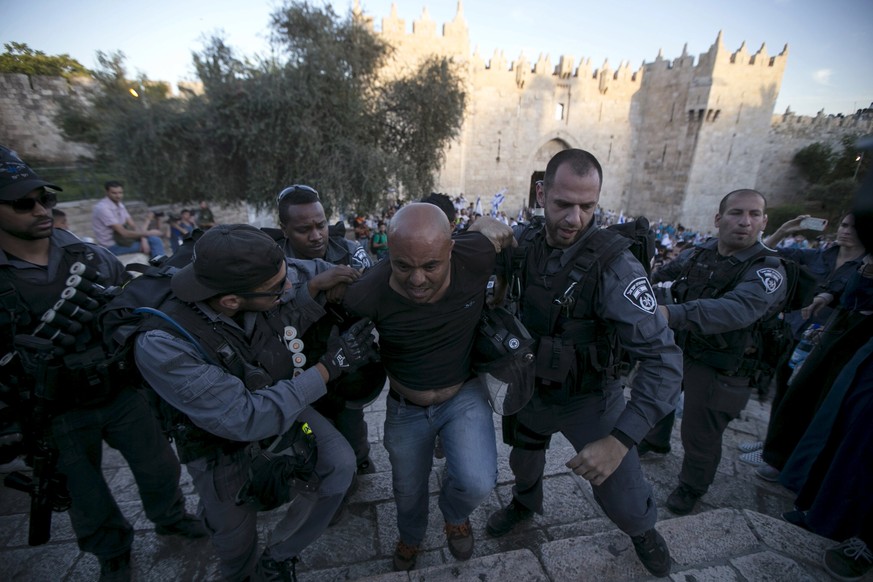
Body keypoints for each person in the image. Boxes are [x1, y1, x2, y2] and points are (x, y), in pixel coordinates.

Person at [0, 146, 205, 582]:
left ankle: (171, 518)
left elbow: (129, 305)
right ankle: (112, 550)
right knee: (83, 491)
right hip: (56, 408)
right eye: (23, 203)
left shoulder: (88, 256)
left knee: (159, 466)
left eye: (45, 199)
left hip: (118, 389)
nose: (40, 210)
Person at [133, 224, 377, 581]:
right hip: (220, 444)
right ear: (231, 300)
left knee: (338, 465)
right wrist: (328, 368)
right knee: (235, 541)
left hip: (288, 409)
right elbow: (245, 417)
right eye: (278, 290)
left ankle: (279, 555)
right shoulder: (162, 345)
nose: (289, 288)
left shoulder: (260, 279)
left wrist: (329, 280)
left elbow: (296, 284)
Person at [485, 149, 681, 578]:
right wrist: (476, 231)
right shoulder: (526, 243)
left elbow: (664, 361)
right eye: (562, 204)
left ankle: (644, 532)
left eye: (587, 206)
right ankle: (524, 503)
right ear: (541, 194)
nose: (574, 219)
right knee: (523, 461)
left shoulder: (616, 266)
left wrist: (621, 440)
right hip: (532, 387)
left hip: (592, 398)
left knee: (625, 498)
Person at [343, 203, 515, 571]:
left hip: (463, 395)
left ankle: (454, 514)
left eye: (430, 266)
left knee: (478, 480)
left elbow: (506, 249)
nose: (417, 280)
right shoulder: (366, 295)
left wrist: (497, 290)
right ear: (388, 253)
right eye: (403, 266)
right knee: (407, 488)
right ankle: (410, 535)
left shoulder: (476, 256)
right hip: (405, 406)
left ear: (451, 250)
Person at [641, 188, 789, 517]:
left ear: (764, 222)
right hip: (684, 348)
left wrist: (671, 314)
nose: (745, 222)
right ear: (718, 218)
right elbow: (663, 276)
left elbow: (736, 310)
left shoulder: (768, 269)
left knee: (700, 431)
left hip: (722, 363)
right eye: (737, 213)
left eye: (754, 215)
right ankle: (656, 440)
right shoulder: (701, 253)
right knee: (661, 398)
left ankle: (693, 485)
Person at [740, 213, 868, 480]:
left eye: (855, 227)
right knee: (784, 392)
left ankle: (781, 454)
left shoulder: (863, 266)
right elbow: (767, 251)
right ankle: (770, 444)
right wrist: (786, 228)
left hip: (828, 344)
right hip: (798, 335)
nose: (847, 231)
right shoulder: (821, 255)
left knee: (804, 399)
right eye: (843, 225)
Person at [271, 184, 379, 476]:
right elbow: (271, 314)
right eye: (304, 229)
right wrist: (316, 284)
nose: (317, 235)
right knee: (308, 428)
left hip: (346, 367)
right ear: (284, 229)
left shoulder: (349, 251)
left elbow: (374, 293)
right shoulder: (271, 261)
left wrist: (350, 285)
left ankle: (360, 459)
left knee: (351, 422)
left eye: (321, 225)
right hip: (295, 367)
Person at [91, 180, 165, 259]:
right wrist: (147, 234)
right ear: (107, 192)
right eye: (114, 193)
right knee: (155, 242)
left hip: (124, 241)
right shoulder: (103, 208)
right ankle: (162, 267)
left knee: (153, 239)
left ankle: (159, 265)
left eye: (120, 193)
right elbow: (123, 233)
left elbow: (133, 225)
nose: (118, 196)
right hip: (112, 246)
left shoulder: (119, 204)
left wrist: (143, 239)